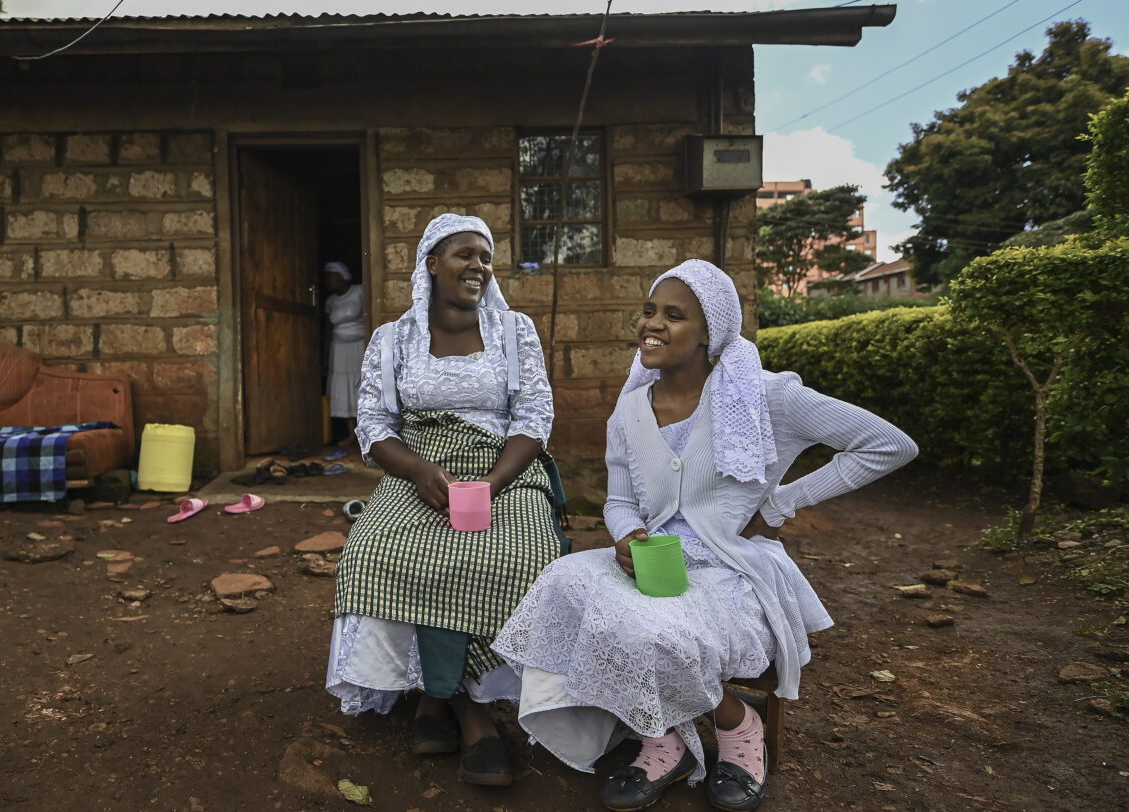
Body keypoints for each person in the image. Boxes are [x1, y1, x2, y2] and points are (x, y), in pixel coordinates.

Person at [492, 259, 918, 811]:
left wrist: (784, 501)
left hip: (729, 569)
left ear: (710, 333)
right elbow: (620, 500)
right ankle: (664, 740)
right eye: (649, 311)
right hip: (656, 559)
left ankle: (739, 728)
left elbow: (888, 444)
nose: (653, 324)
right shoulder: (628, 410)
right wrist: (629, 535)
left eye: (675, 315)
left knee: (651, 629)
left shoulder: (764, 399)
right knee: (561, 581)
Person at [327, 213, 563, 787]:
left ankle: (451, 700)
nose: (478, 266)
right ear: (431, 264)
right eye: (464, 254)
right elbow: (376, 425)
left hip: (503, 468)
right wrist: (416, 469)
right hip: (419, 471)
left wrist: (491, 484)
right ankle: (455, 702)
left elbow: (534, 418)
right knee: (376, 551)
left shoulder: (514, 331)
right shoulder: (392, 338)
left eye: (486, 257)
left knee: (519, 558)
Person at [322, 261, 365, 448]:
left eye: (330, 276)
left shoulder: (359, 292)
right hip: (339, 348)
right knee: (343, 388)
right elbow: (326, 329)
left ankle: (365, 432)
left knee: (359, 385)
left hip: (358, 346)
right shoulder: (330, 302)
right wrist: (324, 355)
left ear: (341, 276)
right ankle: (351, 432)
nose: (327, 280)